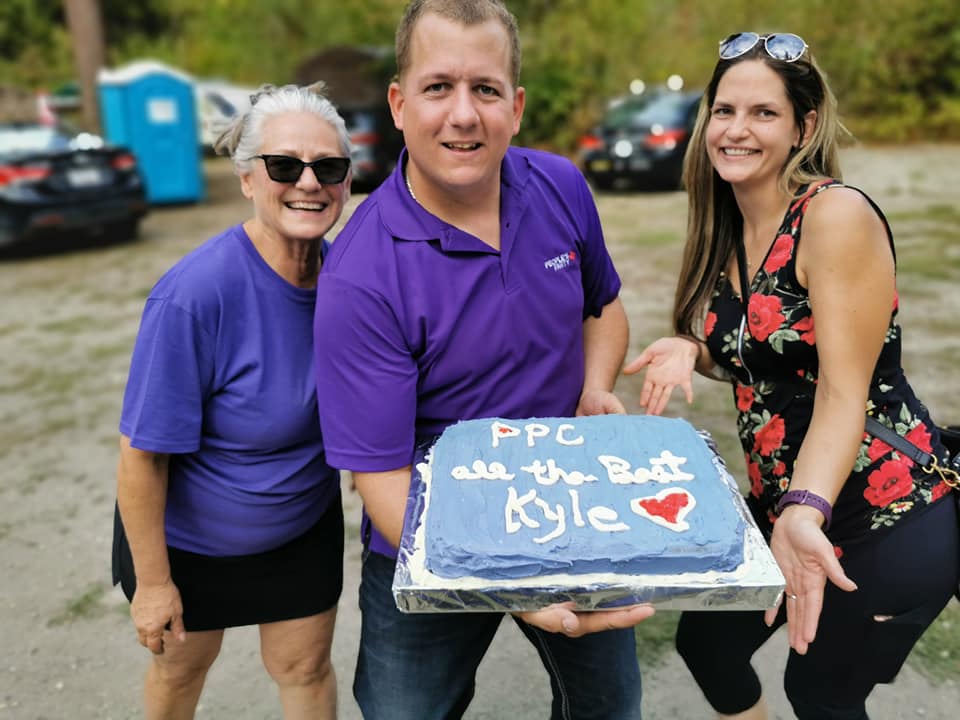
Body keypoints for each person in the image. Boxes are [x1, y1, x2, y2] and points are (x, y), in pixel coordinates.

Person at [312, 2, 653, 718]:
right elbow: (380, 477)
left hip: (570, 510)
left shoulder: (560, 186)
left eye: (486, 89)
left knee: (611, 707)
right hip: (426, 528)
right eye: (438, 87)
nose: (464, 114)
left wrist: (594, 386)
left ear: (516, 107)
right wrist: (509, 585)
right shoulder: (362, 272)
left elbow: (602, 308)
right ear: (399, 105)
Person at [625, 32, 960, 720]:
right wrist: (693, 349)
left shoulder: (834, 215)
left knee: (820, 694)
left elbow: (842, 389)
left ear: (804, 127)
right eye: (724, 111)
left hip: (883, 511)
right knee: (709, 648)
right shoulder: (730, 225)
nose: (736, 129)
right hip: (789, 509)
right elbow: (763, 349)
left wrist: (803, 508)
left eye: (763, 113)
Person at [112, 82, 352, 719]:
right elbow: (141, 455)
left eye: (328, 167)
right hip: (190, 544)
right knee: (180, 675)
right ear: (247, 179)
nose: (309, 182)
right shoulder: (195, 296)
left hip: (301, 528)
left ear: (347, 181)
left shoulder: (353, 284)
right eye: (284, 166)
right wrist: (154, 585)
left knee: (305, 670)